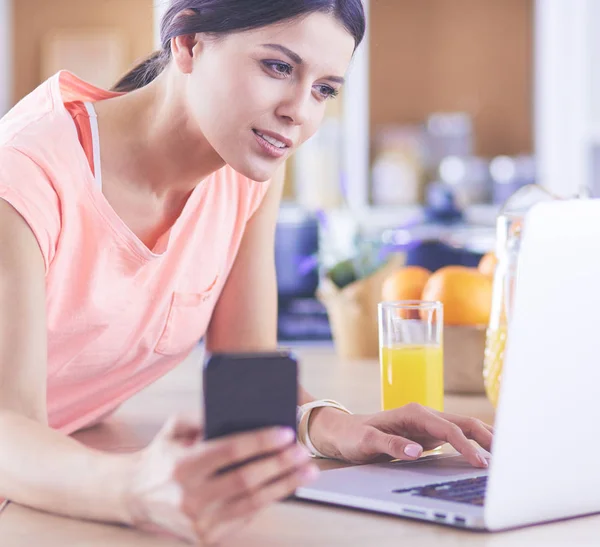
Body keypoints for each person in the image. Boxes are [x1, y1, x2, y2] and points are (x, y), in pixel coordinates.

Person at [0, 0, 492, 543]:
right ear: (189, 43)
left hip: (57, 474)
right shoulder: (23, 176)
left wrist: (327, 424)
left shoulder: (248, 170)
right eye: (278, 67)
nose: (299, 112)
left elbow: (246, 372)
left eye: (325, 89)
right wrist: (136, 486)